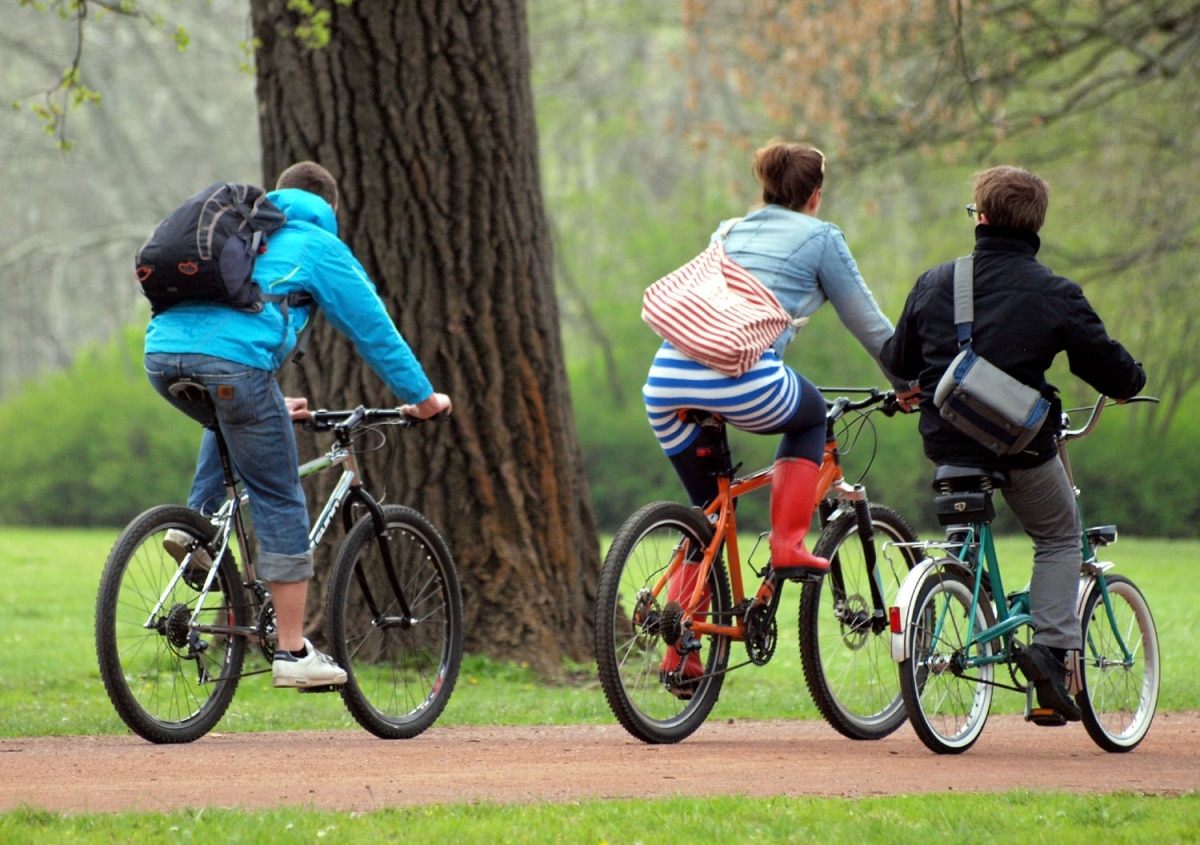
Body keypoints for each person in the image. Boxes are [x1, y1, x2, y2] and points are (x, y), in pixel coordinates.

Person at [145, 161, 452, 689]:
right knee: (281, 496)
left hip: (161, 357)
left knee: (229, 417)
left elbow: (212, 323)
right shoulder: (317, 245)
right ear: (331, 208)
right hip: (236, 368)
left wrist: (260, 396)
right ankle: (292, 652)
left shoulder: (240, 233)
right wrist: (423, 400)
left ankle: (195, 526)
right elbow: (376, 333)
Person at [643, 141, 910, 695]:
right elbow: (871, 325)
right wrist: (908, 385)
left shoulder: (730, 230)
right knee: (810, 414)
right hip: (741, 378)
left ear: (765, 189)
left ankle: (681, 655)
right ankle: (789, 541)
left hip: (666, 382)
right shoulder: (821, 237)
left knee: (707, 517)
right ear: (814, 196)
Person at [880, 165, 1145, 722]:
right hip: (1018, 446)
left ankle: (959, 589)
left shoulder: (935, 282)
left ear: (981, 216)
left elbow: (900, 362)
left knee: (969, 526)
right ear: (1035, 224)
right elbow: (1110, 369)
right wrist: (1132, 383)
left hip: (947, 444)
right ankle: (1049, 655)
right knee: (1057, 534)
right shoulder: (1053, 292)